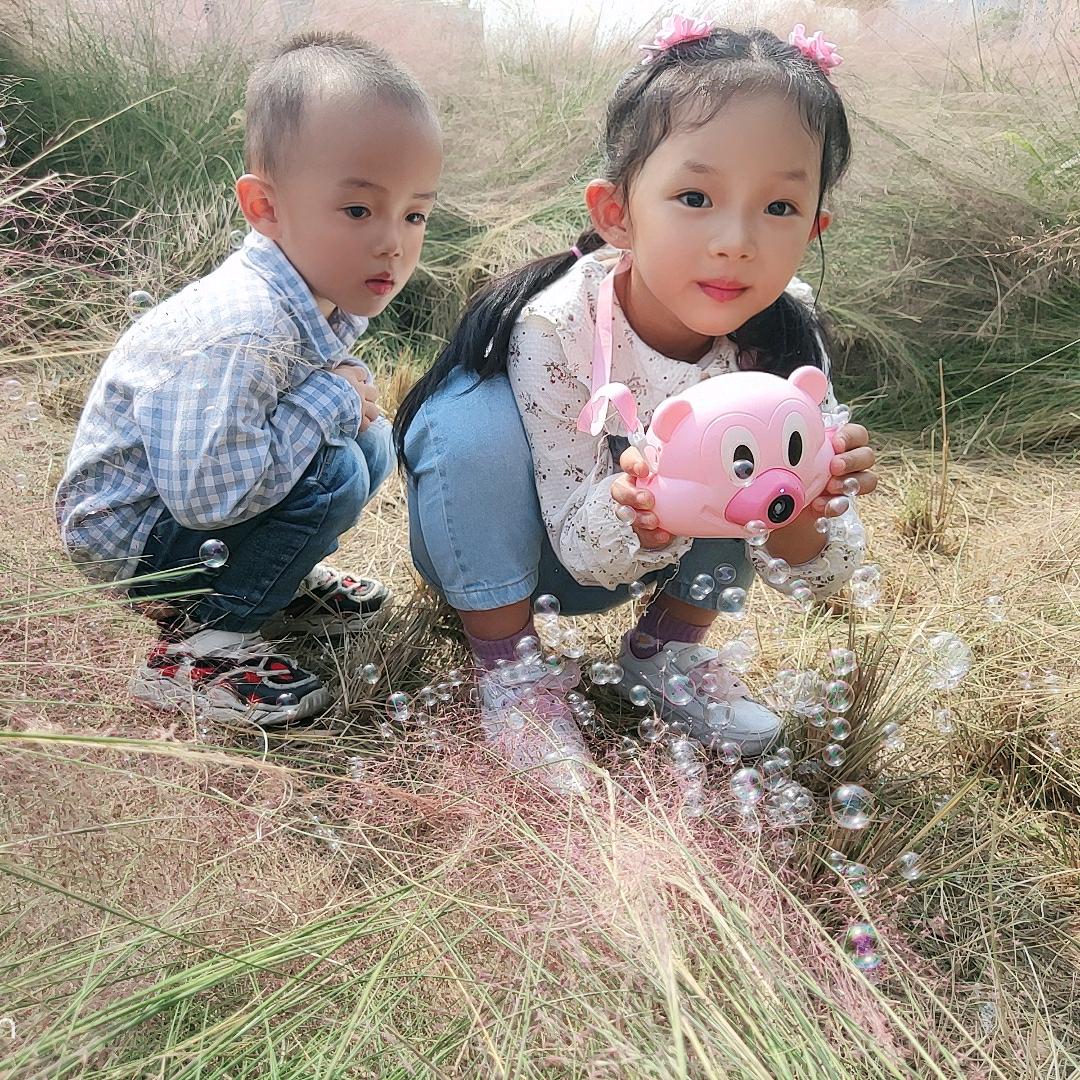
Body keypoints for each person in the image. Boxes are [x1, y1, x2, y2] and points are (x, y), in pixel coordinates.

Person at [393, 18, 878, 792]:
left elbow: (820, 580)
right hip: (529, 544)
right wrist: (643, 509)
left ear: (817, 224)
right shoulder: (557, 327)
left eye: (780, 208)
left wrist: (809, 509)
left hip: (650, 552)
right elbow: (579, 548)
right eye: (695, 195)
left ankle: (666, 653)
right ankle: (510, 671)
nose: (735, 240)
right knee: (465, 425)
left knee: (746, 435)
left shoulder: (787, 335)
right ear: (616, 212)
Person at [55, 31, 443, 726]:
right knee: (333, 471)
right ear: (265, 207)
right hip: (138, 540)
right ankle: (200, 646)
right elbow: (210, 495)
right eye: (358, 210)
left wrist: (335, 398)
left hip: (178, 514)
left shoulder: (311, 289)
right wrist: (328, 395)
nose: (393, 241)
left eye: (414, 213)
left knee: (366, 443)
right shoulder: (245, 328)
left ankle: (263, 579)